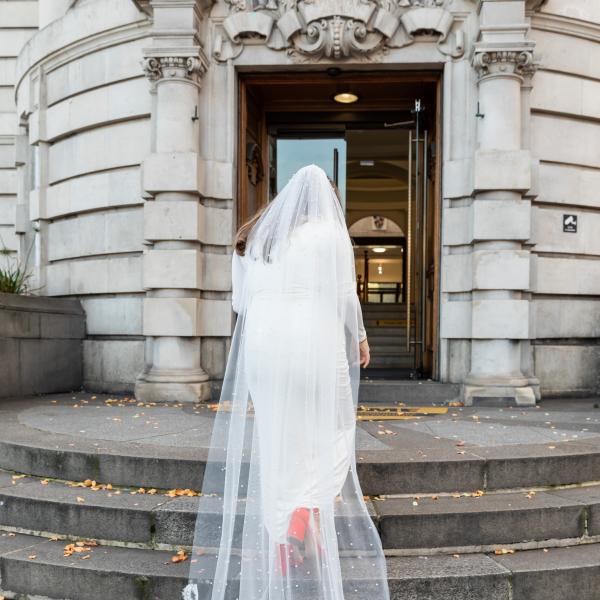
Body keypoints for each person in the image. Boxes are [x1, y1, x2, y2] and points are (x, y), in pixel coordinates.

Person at [183, 164, 390, 600]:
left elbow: (241, 301)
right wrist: (363, 340)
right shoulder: (329, 235)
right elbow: (343, 295)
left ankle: (283, 529)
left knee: (281, 436)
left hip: (263, 347)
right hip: (313, 338)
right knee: (332, 431)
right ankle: (302, 513)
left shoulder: (254, 239)